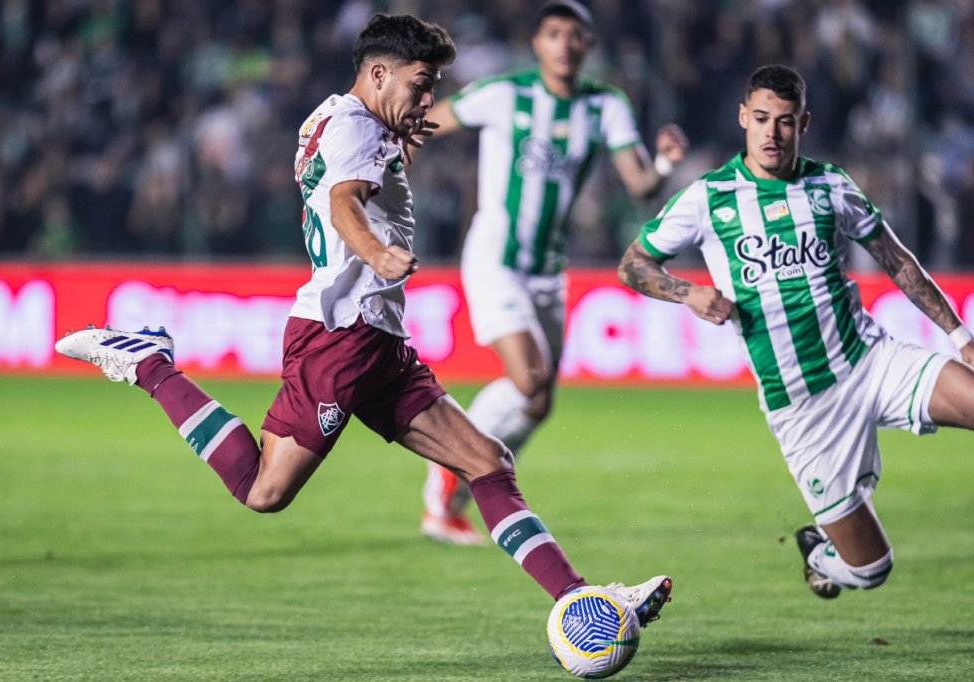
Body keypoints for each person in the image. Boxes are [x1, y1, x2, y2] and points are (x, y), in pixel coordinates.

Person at [56, 14, 673, 626]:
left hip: (377, 340)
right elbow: (343, 199)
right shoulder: (354, 129)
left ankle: (584, 602)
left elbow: (355, 181)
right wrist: (377, 252)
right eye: (420, 83)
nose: (429, 99)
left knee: (487, 462)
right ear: (378, 74)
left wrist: (398, 148)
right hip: (341, 337)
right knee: (263, 491)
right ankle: (149, 364)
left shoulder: (346, 118)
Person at [618, 63, 974, 599]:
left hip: (871, 360)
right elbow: (634, 265)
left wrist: (962, 337)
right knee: (872, 570)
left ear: (802, 123)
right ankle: (821, 554)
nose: (772, 132)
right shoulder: (708, 198)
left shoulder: (830, 185)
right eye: (761, 118)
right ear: (743, 118)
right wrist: (688, 293)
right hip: (803, 407)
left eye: (784, 121)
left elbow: (897, 261)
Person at [416, 0, 688, 545]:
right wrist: (385, 166)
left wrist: (662, 165)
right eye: (554, 33)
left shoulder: (604, 105)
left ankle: (453, 488)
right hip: (495, 257)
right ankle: (452, 464)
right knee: (528, 377)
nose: (564, 44)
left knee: (538, 402)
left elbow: (639, 184)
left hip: (547, 270)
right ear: (538, 44)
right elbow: (423, 122)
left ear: (587, 46)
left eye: (575, 35)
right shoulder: (505, 94)